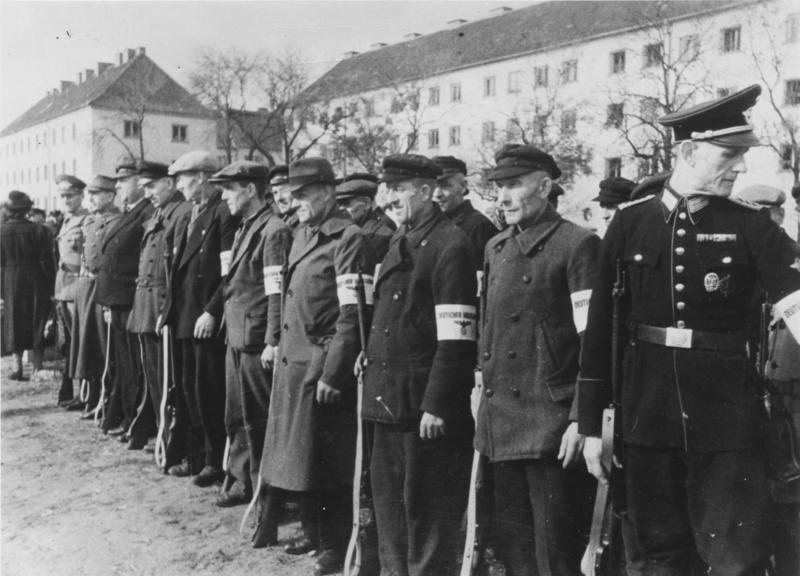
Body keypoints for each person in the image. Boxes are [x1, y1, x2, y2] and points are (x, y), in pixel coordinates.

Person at [579, 84, 800, 575]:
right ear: (687, 151)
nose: (741, 167)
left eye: (742, 155)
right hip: (646, 419)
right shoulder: (630, 223)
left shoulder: (752, 226)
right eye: (730, 154)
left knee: (735, 559)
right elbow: (600, 332)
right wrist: (591, 424)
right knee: (658, 558)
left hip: (727, 424)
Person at [478, 144, 599, 575]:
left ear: (545, 187)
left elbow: (594, 344)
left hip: (552, 429)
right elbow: (489, 333)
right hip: (503, 423)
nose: (504, 197)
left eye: (515, 185)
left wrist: (579, 420)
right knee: (515, 548)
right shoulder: (495, 247)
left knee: (556, 552)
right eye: (499, 187)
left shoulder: (578, 245)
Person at [362, 154, 477, 576]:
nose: (389, 197)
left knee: (424, 512)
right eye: (387, 188)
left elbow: (456, 338)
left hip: (420, 406)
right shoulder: (400, 239)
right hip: (387, 398)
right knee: (390, 507)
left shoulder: (451, 245)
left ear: (427, 192)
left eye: (399, 188)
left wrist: (437, 403)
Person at [261, 157, 375, 575]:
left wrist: (334, 371)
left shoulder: (350, 238)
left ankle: (335, 543)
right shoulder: (300, 235)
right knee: (301, 458)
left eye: (304, 195)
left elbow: (354, 315)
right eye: (294, 196)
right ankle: (314, 532)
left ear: (328, 192)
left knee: (328, 460)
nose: (298, 203)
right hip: (295, 361)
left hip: (322, 364)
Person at [210, 160, 292, 546]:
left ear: (251, 190)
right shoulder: (247, 227)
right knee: (237, 417)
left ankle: (267, 507)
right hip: (237, 336)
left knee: (259, 425)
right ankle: (244, 483)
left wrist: (273, 340)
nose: (224, 196)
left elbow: (276, 293)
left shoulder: (273, 231)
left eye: (230, 188)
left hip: (257, 340)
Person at [736, 184, 800, 576]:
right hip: (760, 421)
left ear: (778, 215)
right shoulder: (746, 274)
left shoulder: (791, 265)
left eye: (764, 216)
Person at [161, 150, 235, 490]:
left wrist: (212, 310)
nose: (178, 184)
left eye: (183, 177)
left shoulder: (222, 212)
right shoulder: (192, 213)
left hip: (204, 318)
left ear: (203, 177)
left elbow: (228, 271)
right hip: (185, 315)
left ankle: (213, 459)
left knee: (208, 391)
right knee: (189, 389)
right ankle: (196, 454)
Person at [126, 162, 191, 460]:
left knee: (167, 380)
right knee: (153, 377)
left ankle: (171, 442)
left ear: (169, 182)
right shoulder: (161, 214)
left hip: (162, 306)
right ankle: (161, 434)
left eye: (152, 186)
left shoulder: (183, 213)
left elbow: (177, 271)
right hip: (146, 305)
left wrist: (167, 310)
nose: (147, 192)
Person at [95, 160, 155, 447]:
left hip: (133, 300)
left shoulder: (148, 212)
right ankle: (128, 417)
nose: (118, 186)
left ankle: (138, 422)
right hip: (118, 301)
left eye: (123, 181)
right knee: (124, 365)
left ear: (138, 182)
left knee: (136, 366)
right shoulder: (131, 212)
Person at [69, 176, 121, 418]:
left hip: (102, 288)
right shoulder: (90, 221)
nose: (89, 199)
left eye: (95, 194)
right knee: (86, 344)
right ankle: (91, 397)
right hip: (85, 287)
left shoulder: (118, 221)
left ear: (110, 196)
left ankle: (107, 401)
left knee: (104, 346)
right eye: (89, 194)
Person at [1, 191, 55, 380]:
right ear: (27, 210)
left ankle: (17, 368)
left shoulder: (1, 231)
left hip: (10, 281)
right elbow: (47, 261)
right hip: (35, 280)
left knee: (14, 321)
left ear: (8, 210)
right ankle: (37, 366)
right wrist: (51, 286)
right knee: (37, 319)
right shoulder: (40, 230)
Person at [53, 175, 89, 405]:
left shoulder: (86, 220)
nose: (66, 200)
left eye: (70, 195)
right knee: (68, 341)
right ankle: (71, 389)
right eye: (63, 196)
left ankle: (85, 392)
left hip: (78, 284)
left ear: (81, 196)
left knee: (82, 339)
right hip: (63, 284)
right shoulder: (66, 221)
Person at [431, 155, 497, 265]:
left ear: (463, 186)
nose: (437, 194)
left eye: (445, 186)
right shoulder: (431, 223)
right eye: (433, 186)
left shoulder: (479, 227)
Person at [335, 172, 396, 260]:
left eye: (346, 202)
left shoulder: (382, 235)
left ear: (366, 203)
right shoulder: (348, 230)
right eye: (338, 204)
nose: (341, 208)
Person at [270, 165, 300, 231]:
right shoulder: (285, 222)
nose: (278, 198)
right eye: (275, 193)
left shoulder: (304, 223)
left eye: (284, 190)